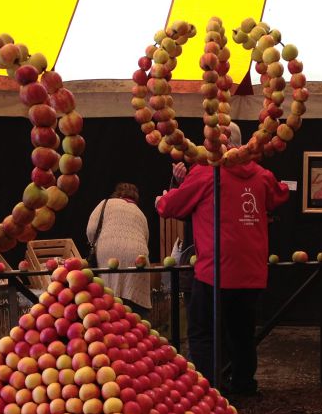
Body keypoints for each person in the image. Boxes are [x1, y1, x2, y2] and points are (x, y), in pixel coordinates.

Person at [156, 123, 290, 395]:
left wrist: (163, 198)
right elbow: (280, 194)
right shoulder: (261, 174)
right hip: (252, 272)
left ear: (217, 142)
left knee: (203, 332)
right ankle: (244, 385)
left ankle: (210, 391)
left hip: (215, 271)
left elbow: (170, 207)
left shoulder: (206, 172)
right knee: (242, 333)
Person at [86, 182, 152, 317]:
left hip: (108, 252)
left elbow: (91, 230)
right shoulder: (140, 213)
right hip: (137, 256)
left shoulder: (105, 203)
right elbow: (145, 239)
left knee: (109, 302)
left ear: (117, 194)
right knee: (134, 313)